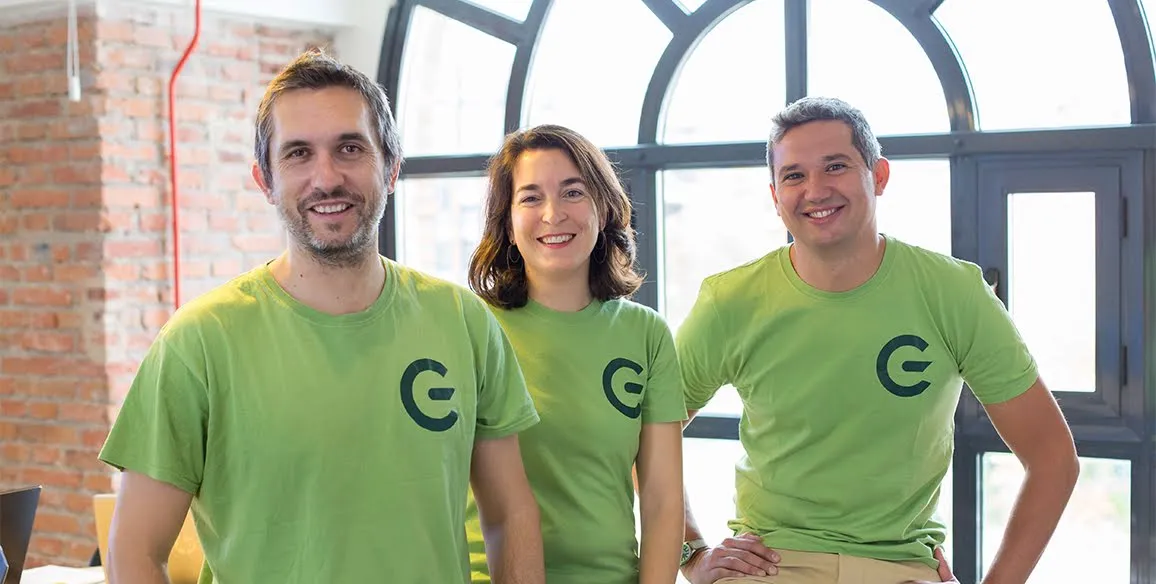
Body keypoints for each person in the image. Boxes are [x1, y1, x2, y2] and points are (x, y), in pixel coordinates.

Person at [98, 49, 546, 584]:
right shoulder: (198, 343)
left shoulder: (463, 322)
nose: (326, 177)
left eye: (350, 148)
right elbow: (134, 555)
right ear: (265, 180)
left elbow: (509, 515)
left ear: (392, 166)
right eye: (298, 154)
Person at [675, 97, 1080, 584]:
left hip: (900, 567)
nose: (816, 190)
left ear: (879, 176)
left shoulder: (954, 293)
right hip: (772, 564)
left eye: (836, 166)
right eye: (794, 176)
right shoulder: (730, 300)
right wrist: (691, 553)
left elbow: (1053, 458)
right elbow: (645, 436)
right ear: (775, 193)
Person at [463, 124, 688, 584]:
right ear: (506, 220)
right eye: (530, 197)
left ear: (604, 208)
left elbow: (663, 500)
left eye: (573, 192)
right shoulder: (469, 327)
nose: (553, 214)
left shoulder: (645, 334)